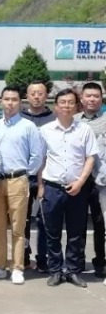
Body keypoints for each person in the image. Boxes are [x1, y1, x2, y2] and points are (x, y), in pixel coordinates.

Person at [38, 89, 98, 288]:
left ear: (76, 106)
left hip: (77, 189)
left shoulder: (84, 130)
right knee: (52, 233)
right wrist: (40, 186)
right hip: (52, 188)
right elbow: (41, 160)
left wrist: (80, 182)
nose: (66, 106)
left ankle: (73, 271)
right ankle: (55, 271)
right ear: (56, 106)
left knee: (75, 233)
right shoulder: (45, 130)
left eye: (70, 102)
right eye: (62, 102)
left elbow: (90, 158)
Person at [0, 86, 43, 285]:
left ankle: (17, 267)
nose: (10, 103)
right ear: (1, 101)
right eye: (6, 99)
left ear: (20, 102)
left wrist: (25, 174)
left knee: (18, 228)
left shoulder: (28, 126)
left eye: (14, 99)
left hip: (18, 180)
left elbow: (37, 155)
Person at [21, 80, 55, 272]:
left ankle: (43, 259)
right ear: (27, 96)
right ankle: (24, 257)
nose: (36, 96)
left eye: (40, 93)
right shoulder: (19, 117)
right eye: (32, 93)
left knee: (45, 220)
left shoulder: (54, 118)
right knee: (23, 221)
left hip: (47, 178)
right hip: (23, 177)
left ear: (46, 96)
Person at [74, 82, 106, 279]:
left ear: (101, 99)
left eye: (96, 96)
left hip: (102, 181)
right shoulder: (74, 120)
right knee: (77, 222)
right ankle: (77, 261)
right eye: (88, 96)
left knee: (100, 223)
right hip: (78, 180)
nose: (92, 99)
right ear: (82, 98)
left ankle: (101, 261)